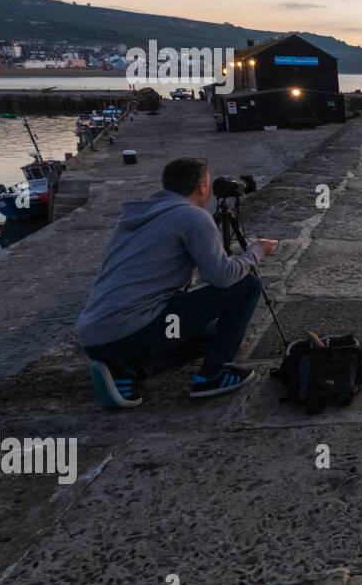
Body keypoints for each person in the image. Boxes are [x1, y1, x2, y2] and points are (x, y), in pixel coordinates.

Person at [76, 157, 279, 409]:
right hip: (133, 332)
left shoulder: (139, 214)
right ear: (202, 187)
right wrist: (257, 251)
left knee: (213, 336)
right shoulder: (192, 216)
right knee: (246, 285)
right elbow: (223, 277)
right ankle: (213, 376)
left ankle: (127, 369)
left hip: (95, 336)